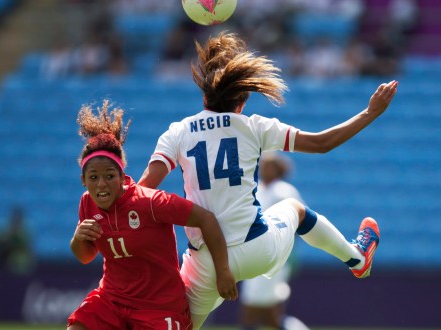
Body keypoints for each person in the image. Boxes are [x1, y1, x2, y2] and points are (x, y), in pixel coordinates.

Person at [138, 32, 398, 329]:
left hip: (206, 263)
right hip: (256, 249)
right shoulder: (254, 127)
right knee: (295, 209)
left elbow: (144, 189)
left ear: (204, 96)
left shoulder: (178, 131)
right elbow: (322, 143)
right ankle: (356, 259)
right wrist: (369, 113)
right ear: (244, 99)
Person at [67, 100, 237, 330]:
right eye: (93, 178)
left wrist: (223, 271)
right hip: (112, 300)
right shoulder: (87, 202)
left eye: (109, 175)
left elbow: (206, 219)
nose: (101, 184)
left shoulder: (150, 202)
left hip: (159, 307)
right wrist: (77, 239)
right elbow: (85, 256)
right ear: (83, 181)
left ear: (121, 176)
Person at [239, 152, 308, 330]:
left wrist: (287, 253)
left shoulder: (284, 191)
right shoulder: (257, 189)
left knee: (261, 310)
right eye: (262, 165)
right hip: (254, 256)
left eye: (268, 165)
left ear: (278, 169)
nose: (263, 168)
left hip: (275, 257)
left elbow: (300, 219)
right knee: (261, 312)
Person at [0, 205, 36, 275]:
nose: (16, 219)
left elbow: (26, 243)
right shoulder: (3, 226)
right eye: (15, 217)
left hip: (20, 253)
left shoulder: (27, 227)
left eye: (18, 217)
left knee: (21, 260)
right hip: (3, 253)